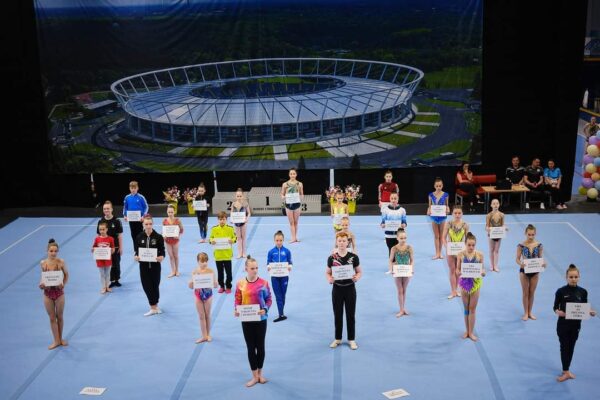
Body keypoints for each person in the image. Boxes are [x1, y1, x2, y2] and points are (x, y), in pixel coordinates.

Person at [553, 264, 597, 382]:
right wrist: (558, 312)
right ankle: (565, 371)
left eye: (575, 277)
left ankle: (567, 370)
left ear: (579, 277)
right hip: (563, 325)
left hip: (576, 325)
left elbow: (584, 307)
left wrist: (590, 312)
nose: (573, 279)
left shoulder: (583, 292)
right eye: (571, 277)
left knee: (571, 347)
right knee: (564, 347)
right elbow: (555, 307)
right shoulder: (561, 291)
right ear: (566, 277)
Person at [234, 256, 272, 387]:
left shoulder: (264, 283)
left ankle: (260, 374)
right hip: (246, 320)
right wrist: (236, 310)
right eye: (252, 268)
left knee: (260, 346)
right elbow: (237, 299)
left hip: (261, 319)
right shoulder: (240, 284)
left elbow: (269, 299)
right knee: (251, 347)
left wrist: (265, 309)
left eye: (256, 268)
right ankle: (254, 376)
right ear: (246, 269)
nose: (255, 270)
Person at [326, 232, 362, 350]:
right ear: (336, 242)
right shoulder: (332, 258)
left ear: (348, 242)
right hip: (337, 289)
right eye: (339, 241)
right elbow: (327, 272)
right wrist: (329, 279)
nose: (341, 243)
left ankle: (351, 339)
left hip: (350, 289)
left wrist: (357, 277)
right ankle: (337, 338)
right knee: (337, 314)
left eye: (344, 241)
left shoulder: (353, 257)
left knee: (350, 314)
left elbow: (359, 271)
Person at [39, 239, 69, 350]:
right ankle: (56, 340)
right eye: (51, 251)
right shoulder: (43, 263)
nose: (53, 253)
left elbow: (66, 275)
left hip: (59, 293)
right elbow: (43, 277)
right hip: (47, 294)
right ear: (47, 251)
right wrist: (41, 284)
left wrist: (63, 284)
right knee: (52, 318)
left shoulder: (61, 262)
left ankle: (61, 339)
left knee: (59, 316)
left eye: (55, 251)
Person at [134, 215, 166, 316]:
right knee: (147, 286)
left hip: (155, 267)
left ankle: (155, 306)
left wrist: (162, 257)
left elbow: (162, 251)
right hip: (144, 267)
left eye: (150, 224)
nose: (148, 226)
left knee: (155, 286)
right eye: (146, 224)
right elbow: (136, 251)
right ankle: (153, 307)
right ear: (143, 224)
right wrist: (136, 256)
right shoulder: (139, 237)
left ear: (153, 224)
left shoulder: (158, 237)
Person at [456, 232, 485, 341]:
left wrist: (483, 272)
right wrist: (458, 272)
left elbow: (482, 268)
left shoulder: (480, 255)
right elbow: (457, 269)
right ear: (465, 244)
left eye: (473, 245)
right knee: (466, 308)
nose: (471, 247)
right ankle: (466, 331)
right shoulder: (460, 254)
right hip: (464, 283)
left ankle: (471, 332)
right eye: (469, 245)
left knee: (472, 309)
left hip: (475, 283)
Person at [516, 224, 546, 321]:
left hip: (535, 271)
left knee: (532, 292)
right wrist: (520, 264)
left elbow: (540, 258)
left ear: (535, 234)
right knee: (525, 292)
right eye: (529, 234)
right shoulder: (521, 245)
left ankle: (530, 312)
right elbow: (517, 259)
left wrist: (543, 263)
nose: (531, 237)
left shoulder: (539, 245)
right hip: (524, 271)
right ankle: (525, 312)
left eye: (533, 234)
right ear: (525, 233)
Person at [189, 252, 217, 344]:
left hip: (208, 295)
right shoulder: (195, 272)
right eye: (202, 261)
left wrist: (215, 283)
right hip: (198, 295)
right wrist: (191, 283)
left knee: (207, 315)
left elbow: (216, 285)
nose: (204, 263)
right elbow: (191, 286)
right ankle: (204, 336)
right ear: (198, 262)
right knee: (201, 316)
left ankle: (208, 334)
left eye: (206, 261)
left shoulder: (211, 271)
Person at [442, 206, 470, 299]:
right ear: (452, 214)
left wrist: (466, 249)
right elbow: (443, 238)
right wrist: (447, 247)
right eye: (455, 213)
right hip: (450, 250)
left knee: (458, 270)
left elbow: (467, 239)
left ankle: (457, 289)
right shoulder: (448, 224)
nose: (457, 215)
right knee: (452, 270)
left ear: (462, 214)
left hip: (461, 251)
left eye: (459, 213)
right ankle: (453, 291)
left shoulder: (465, 225)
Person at [266, 231, 293, 322]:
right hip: (274, 277)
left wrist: (289, 267)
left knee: (283, 295)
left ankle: (281, 311)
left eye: (280, 240)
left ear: (283, 240)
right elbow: (268, 262)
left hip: (284, 276)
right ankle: (281, 314)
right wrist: (269, 267)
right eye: (277, 240)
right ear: (274, 240)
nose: (279, 242)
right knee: (278, 295)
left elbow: (290, 262)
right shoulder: (271, 252)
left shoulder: (287, 251)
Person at [97, 201, 124, 288]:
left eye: (108, 208)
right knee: (108, 265)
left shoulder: (117, 221)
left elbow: (119, 235)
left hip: (115, 247)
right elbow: (99, 236)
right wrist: (98, 248)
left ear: (112, 209)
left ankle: (117, 280)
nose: (106, 210)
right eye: (104, 209)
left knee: (116, 264)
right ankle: (111, 280)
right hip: (105, 248)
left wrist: (121, 247)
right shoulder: (101, 221)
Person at [209, 211, 237, 293]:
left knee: (229, 273)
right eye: (220, 219)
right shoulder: (214, 229)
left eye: (224, 219)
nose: (222, 221)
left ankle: (228, 286)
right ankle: (221, 286)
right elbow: (210, 238)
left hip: (227, 255)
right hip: (218, 256)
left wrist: (232, 240)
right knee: (220, 273)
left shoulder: (230, 229)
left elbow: (235, 238)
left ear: (226, 219)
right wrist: (212, 241)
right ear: (218, 220)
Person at [388, 228, 414, 317]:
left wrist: (412, 269)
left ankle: (403, 308)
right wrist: (391, 269)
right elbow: (390, 260)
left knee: (404, 290)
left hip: (406, 271)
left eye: (405, 238)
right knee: (400, 290)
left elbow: (412, 260)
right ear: (397, 238)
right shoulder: (394, 248)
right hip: (397, 271)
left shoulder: (409, 248)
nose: (403, 240)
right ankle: (401, 309)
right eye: (401, 238)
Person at [380, 192, 407, 263]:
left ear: (398, 199)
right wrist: (382, 225)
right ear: (390, 199)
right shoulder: (385, 210)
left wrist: (404, 225)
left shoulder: (402, 210)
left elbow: (404, 222)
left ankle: (399, 266)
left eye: (395, 198)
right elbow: (383, 222)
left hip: (399, 236)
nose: (393, 200)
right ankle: (391, 266)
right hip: (389, 235)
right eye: (392, 198)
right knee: (391, 250)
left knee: (400, 250)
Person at [427, 178, 449, 260]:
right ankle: (437, 253)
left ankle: (440, 253)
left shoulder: (446, 195)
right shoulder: (430, 195)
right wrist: (428, 211)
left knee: (441, 236)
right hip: (434, 217)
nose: (438, 187)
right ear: (434, 186)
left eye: (440, 186)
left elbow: (447, 206)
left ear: (442, 186)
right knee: (436, 236)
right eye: (437, 186)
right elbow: (429, 206)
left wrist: (448, 210)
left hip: (442, 217)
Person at [281, 168, 304, 243]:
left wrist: (301, 197)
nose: (292, 175)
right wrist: (283, 197)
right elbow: (282, 194)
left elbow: (302, 194)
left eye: (294, 174)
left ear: (296, 174)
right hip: (288, 205)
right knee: (291, 222)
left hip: (297, 204)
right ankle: (293, 238)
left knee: (296, 222)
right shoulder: (285, 184)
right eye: (291, 174)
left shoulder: (300, 184)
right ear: (289, 175)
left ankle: (295, 237)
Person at [123, 181, 149, 247]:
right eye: (132, 188)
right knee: (133, 234)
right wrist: (125, 215)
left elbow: (146, 207)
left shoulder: (141, 197)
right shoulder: (127, 197)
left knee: (140, 234)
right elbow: (125, 207)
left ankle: (141, 247)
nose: (133, 189)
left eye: (135, 188)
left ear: (137, 188)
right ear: (129, 188)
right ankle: (136, 249)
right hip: (131, 220)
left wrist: (143, 216)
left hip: (140, 220)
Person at [92, 222, 115, 294]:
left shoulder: (110, 239)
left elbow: (113, 248)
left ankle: (107, 286)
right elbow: (94, 247)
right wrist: (93, 250)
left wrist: (112, 251)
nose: (102, 231)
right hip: (100, 260)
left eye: (103, 229)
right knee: (102, 274)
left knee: (108, 274)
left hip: (108, 260)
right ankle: (103, 287)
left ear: (107, 229)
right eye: (100, 229)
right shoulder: (97, 239)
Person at [162, 204, 184, 278]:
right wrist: (163, 236)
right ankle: (173, 271)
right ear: (167, 212)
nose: (170, 214)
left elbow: (181, 230)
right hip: (167, 241)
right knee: (171, 256)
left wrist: (178, 235)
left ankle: (177, 270)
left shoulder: (178, 220)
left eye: (171, 212)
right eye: (169, 212)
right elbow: (163, 231)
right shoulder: (164, 221)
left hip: (175, 241)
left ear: (174, 212)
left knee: (176, 256)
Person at [485, 199, 506, 272]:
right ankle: (491, 265)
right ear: (491, 205)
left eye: (497, 203)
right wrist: (487, 229)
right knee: (491, 249)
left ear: (499, 205)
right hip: (491, 234)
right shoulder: (489, 215)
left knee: (496, 250)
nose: (495, 205)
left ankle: (496, 265)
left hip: (499, 234)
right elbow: (487, 226)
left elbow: (503, 224)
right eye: (494, 203)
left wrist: (505, 228)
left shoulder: (502, 215)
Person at [230, 188, 251, 258]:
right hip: (236, 223)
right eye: (237, 196)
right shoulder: (233, 204)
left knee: (244, 238)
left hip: (243, 223)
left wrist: (246, 219)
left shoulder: (245, 204)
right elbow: (231, 213)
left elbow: (249, 213)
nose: (239, 197)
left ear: (243, 196)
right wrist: (231, 219)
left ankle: (244, 252)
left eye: (240, 196)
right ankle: (239, 253)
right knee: (238, 238)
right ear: (235, 196)